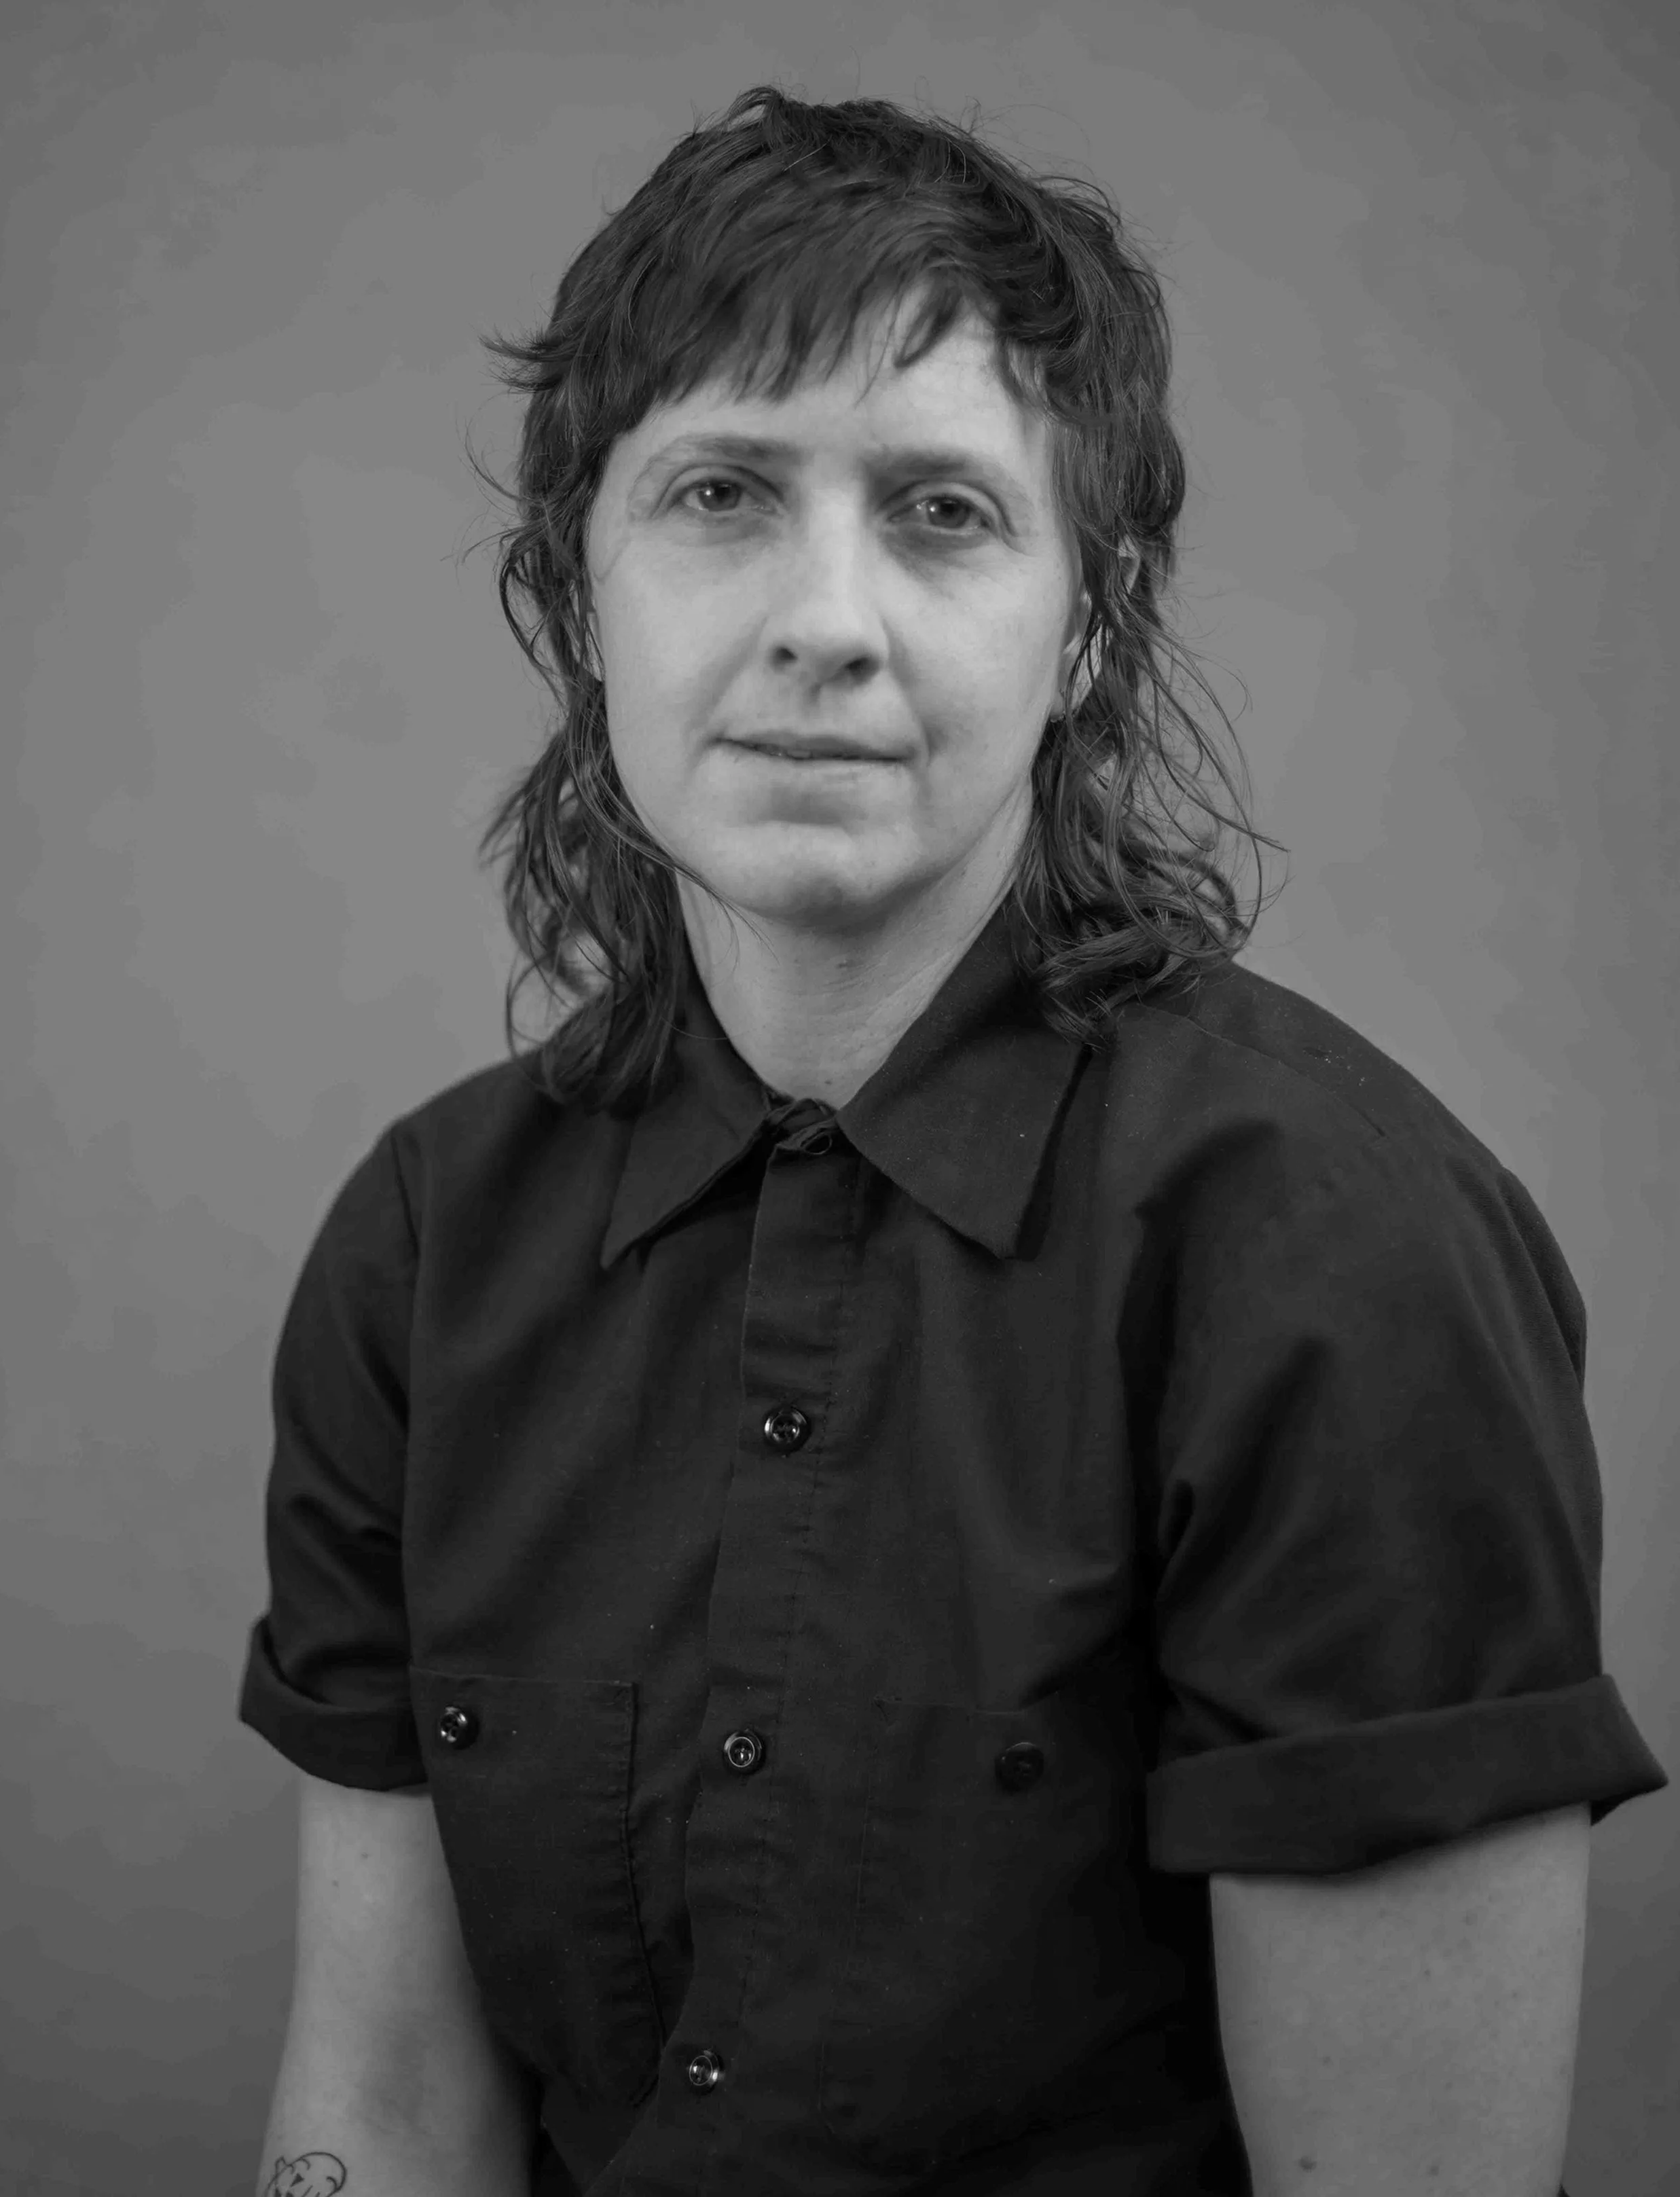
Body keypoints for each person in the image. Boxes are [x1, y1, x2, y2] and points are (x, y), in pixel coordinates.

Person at [238, 81, 1668, 2197]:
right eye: (719, 493)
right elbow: (378, 2111)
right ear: (577, 591)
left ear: (1083, 626)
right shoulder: (429, 1243)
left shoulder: (1334, 1255)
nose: (826, 619)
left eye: (939, 510)